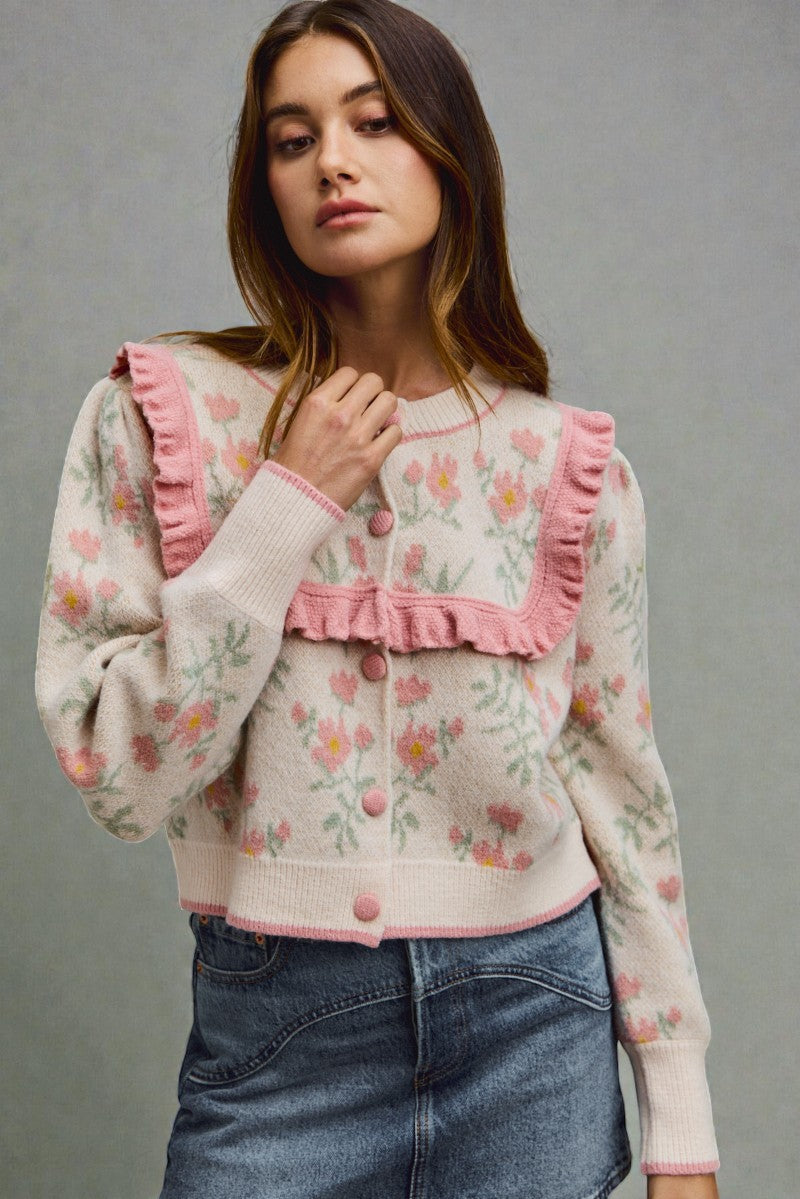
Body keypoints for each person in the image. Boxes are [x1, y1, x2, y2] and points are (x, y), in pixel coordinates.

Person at [34, 2, 721, 1196]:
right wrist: (282, 507)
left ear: (450, 155)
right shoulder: (162, 416)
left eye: (374, 121)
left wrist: (678, 1117)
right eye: (290, 139)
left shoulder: (566, 467)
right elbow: (122, 775)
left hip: (536, 1031)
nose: (332, 162)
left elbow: (622, 791)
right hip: (277, 1039)